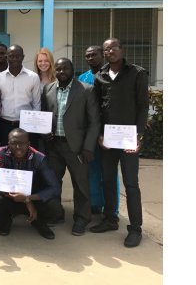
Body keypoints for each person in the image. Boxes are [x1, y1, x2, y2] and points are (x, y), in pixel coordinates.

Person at [89, 38, 149, 248]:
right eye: (106, 49)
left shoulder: (137, 73)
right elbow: (97, 108)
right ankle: (110, 219)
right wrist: (99, 135)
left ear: (122, 50)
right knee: (107, 179)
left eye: (114, 48)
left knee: (131, 184)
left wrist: (139, 136)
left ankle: (135, 229)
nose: (110, 51)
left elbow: (143, 106)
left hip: (129, 139)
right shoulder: (100, 76)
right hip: (108, 139)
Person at [41, 58, 100, 236]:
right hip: (54, 145)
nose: (61, 72)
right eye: (58, 69)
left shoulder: (86, 90)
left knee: (81, 185)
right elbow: (44, 115)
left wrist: (88, 147)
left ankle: (81, 219)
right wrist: (44, 133)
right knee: (52, 183)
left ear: (72, 70)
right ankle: (56, 214)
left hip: (77, 147)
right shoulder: (48, 88)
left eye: (65, 69)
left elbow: (94, 122)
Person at [0, 128, 61, 240]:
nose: (18, 147)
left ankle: (39, 222)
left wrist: (27, 199)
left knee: (54, 204)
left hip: (34, 198)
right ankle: (6, 222)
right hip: (9, 197)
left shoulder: (39, 158)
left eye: (22, 143)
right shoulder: (1, 153)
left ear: (28, 144)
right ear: (8, 143)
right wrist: (14, 197)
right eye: (14, 143)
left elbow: (54, 187)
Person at [78, 45, 120, 215]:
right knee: (92, 170)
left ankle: (113, 210)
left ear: (102, 55)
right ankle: (96, 204)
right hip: (89, 133)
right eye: (87, 56)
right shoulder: (82, 78)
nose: (90, 58)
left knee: (109, 173)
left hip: (109, 131)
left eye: (93, 55)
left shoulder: (112, 76)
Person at [0, 44, 42, 147]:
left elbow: (36, 104)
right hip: (5, 124)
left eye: (18, 56)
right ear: (7, 57)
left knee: (27, 156)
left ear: (23, 57)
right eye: (11, 56)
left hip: (27, 124)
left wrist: (34, 126)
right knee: (5, 155)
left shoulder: (33, 77)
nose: (14, 59)